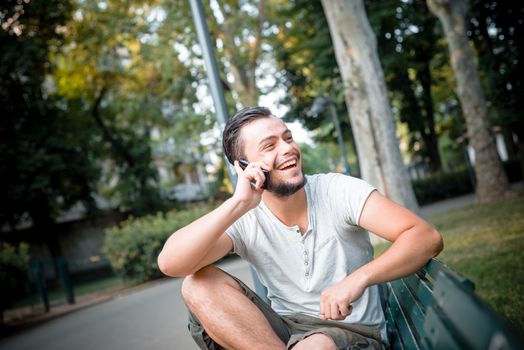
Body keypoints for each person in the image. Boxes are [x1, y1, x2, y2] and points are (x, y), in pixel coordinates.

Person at [157, 106, 443, 350]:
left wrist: (358, 278)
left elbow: (425, 237)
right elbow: (171, 264)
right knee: (198, 284)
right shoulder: (245, 216)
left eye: (288, 138)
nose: (288, 148)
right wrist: (238, 202)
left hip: (352, 332)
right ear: (243, 166)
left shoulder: (338, 191)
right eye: (269, 146)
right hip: (284, 333)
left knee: (315, 345)